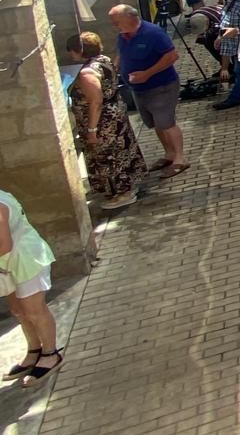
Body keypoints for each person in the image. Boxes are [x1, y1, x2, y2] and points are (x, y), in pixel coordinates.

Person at [65, 31, 148, 207]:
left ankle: (122, 192)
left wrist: (92, 130)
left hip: (103, 123)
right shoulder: (103, 60)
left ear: (79, 50)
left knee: (108, 156)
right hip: (115, 114)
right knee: (121, 150)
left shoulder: (87, 73)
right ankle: (128, 186)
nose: (70, 53)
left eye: (71, 50)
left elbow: (95, 101)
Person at [109, 4, 188, 177]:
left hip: (161, 86)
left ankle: (180, 159)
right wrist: (115, 69)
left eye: (117, 22)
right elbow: (121, 54)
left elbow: (172, 56)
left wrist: (147, 73)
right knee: (154, 123)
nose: (115, 26)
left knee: (166, 123)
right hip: (138, 89)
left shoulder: (153, 33)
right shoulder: (123, 36)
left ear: (131, 18)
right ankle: (169, 154)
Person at [1, 187, 62, 386]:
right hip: (7, 264)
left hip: (26, 259)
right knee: (19, 311)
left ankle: (50, 353)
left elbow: (4, 245)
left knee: (34, 311)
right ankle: (34, 349)